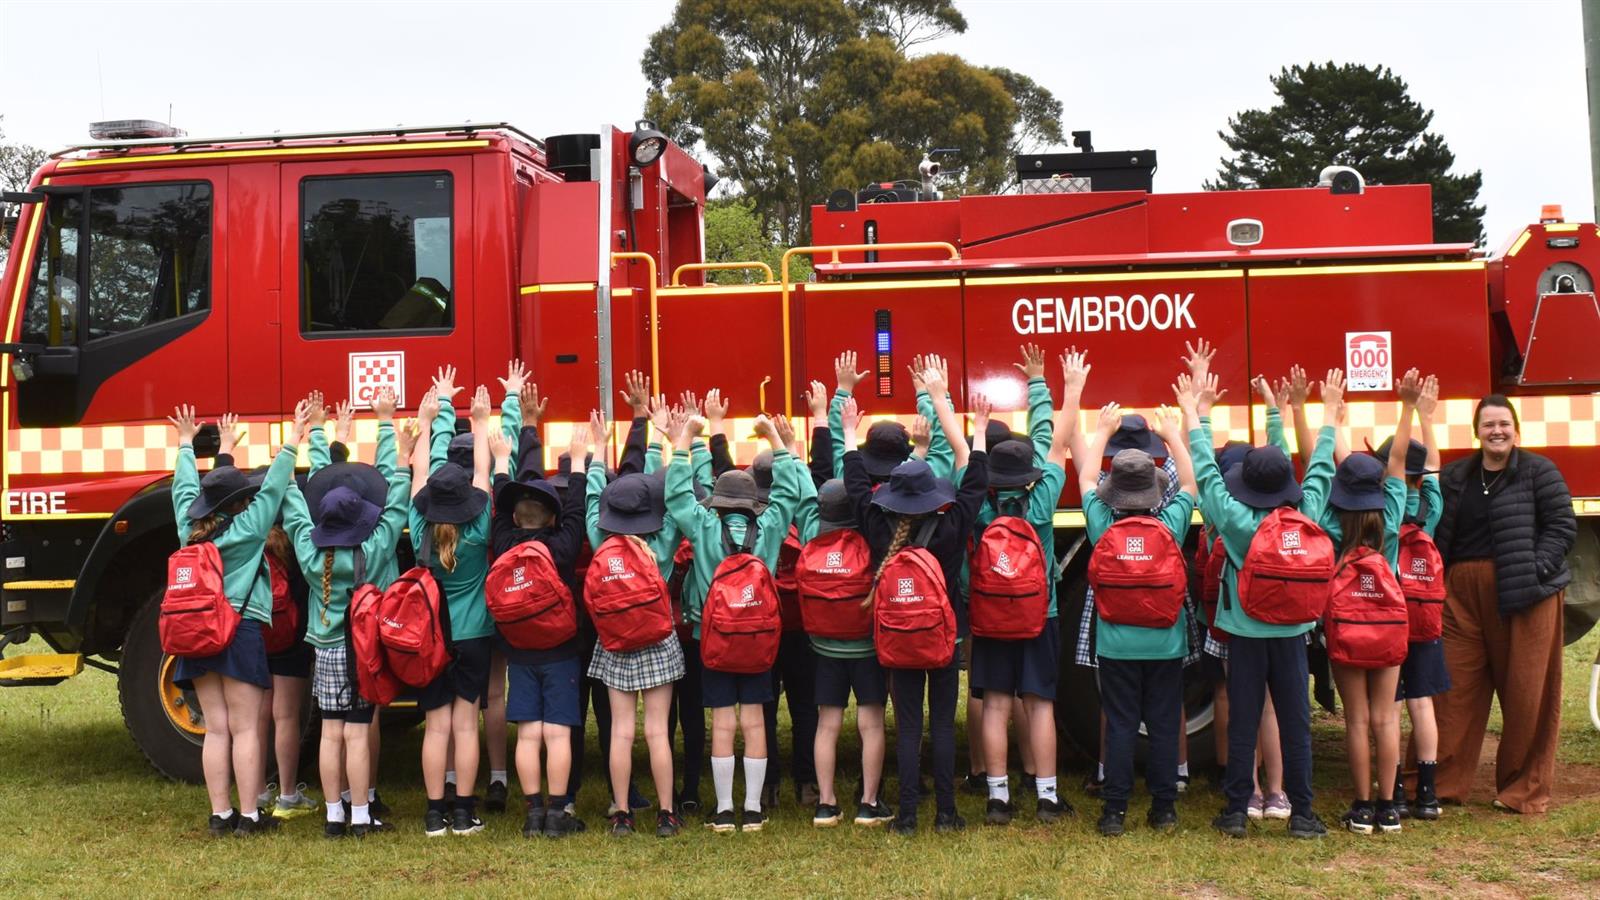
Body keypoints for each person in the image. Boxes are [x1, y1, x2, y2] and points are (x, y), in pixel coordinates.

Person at [1178, 366, 1337, 840]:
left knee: (1244, 720)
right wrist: (1317, 413)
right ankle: (1304, 815)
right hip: (1293, 635)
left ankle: (1233, 812)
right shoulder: (1304, 512)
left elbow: (1206, 471)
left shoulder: (1236, 521)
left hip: (1244, 633)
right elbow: (1319, 466)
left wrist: (1195, 414)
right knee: (1295, 723)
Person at [843, 361, 990, 835]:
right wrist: (979, 435)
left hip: (897, 636)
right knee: (943, 726)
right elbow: (974, 484)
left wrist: (848, 433)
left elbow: (855, 483)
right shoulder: (951, 523)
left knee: (907, 727)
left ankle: (906, 817)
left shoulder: (875, 520)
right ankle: (946, 814)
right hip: (943, 636)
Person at [168, 399, 310, 837]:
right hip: (239, 628)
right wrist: (293, 441)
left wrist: (186, 445)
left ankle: (220, 814)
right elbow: (273, 491)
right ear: (238, 504)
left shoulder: (187, 530)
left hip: (196, 633)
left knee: (216, 729)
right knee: (247, 727)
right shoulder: (249, 531)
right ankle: (250, 816)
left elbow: (184, 492)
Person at [1432, 394, 1576, 814]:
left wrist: (1535, 569)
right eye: (1488, 424)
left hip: (1526, 595)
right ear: (1476, 431)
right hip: (1460, 596)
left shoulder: (1539, 472)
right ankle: (1440, 783)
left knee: (1528, 692)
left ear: (1516, 429)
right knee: (1451, 688)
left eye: (1503, 424)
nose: (1496, 431)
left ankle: (1522, 789)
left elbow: (1562, 527)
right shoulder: (1457, 474)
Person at [281, 387, 413, 837]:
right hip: (362, 653)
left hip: (327, 654)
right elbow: (397, 494)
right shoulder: (373, 548)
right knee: (358, 733)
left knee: (330, 733)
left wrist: (312, 432)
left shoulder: (307, 550)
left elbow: (302, 500)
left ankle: (333, 816)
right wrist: (385, 422)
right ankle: (361, 815)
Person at [666, 409, 802, 833]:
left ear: (720, 502)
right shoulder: (770, 527)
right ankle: (754, 809)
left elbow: (676, 497)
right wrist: (776, 442)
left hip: (715, 641)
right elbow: (789, 493)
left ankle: (724, 809)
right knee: (755, 720)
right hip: (760, 643)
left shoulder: (705, 526)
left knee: (723, 721)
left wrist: (684, 440)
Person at [1077, 393, 1197, 837]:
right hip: (1166, 642)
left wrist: (1102, 433)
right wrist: (1172, 436)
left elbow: (1087, 478)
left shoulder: (1101, 524)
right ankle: (1164, 808)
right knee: (1165, 724)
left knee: (1122, 724)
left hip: (1115, 643)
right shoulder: (1170, 524)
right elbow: (1189, 484)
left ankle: (1114, 812)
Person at [1305, 371, 1420, 834]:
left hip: (1347, 626)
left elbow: (1324, 471)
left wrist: (1330, 416)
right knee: (1384, 717)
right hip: (1389, 626)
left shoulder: (1332, 525)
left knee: (1355, 720)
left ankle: (1362, 805)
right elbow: (1395, 461)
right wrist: (1409, 406)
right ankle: (1390, 809)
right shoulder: (1391, 515)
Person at [972, 344, 1070, 826]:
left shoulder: (980, 505)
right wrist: (1040, 381)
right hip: (1039, 615)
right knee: (1040, 704)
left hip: (991, 620)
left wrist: (940, 404)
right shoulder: (1044, 499)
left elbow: (959, 459)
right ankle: (1047, 797)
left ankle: (997, 797)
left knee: (994, 703)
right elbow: (1050, 439)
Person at [583, 414, 687, 838]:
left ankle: (622, 813)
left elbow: (592, 499)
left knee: (621, 732)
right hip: (658, 640)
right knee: (657, 730)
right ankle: (665, 814)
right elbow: (675, 497)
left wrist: (595, 454)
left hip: (615, 643)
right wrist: (673, 445)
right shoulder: (660, 544)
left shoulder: (600, 540)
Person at [489, 416, 589, 839]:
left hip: (519, 651)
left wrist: (499, 463)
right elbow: (578, 512)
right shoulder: (562, 546)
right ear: (552, 518)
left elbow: (497, 506)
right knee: (558, 731)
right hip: (562, 648)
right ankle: (559, 812)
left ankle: (532, 812)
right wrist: (580, 463)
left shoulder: (503, 542)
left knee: (529, 732)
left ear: (514, 517)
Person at [410, 369, 497, 837]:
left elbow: (421, 472)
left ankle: (433, 813)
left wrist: (433, 416)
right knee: (466, 726)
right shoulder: (481, 522)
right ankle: (464, 812)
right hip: (475, 636)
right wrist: (479, 423)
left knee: (435, 727)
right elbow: (482, 472)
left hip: (430, 638)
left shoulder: (419, 522)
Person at [1382, 375, 1448, 821]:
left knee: (1390, 707)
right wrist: (1427, 418)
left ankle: (1393, 794)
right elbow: (1434, 469)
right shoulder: (1430, 508)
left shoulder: (1386, 508)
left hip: (1388, 619)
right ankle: (1426, 794)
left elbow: (1396, 467)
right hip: (1426, 620)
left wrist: (1409, 413)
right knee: (1423, 703)